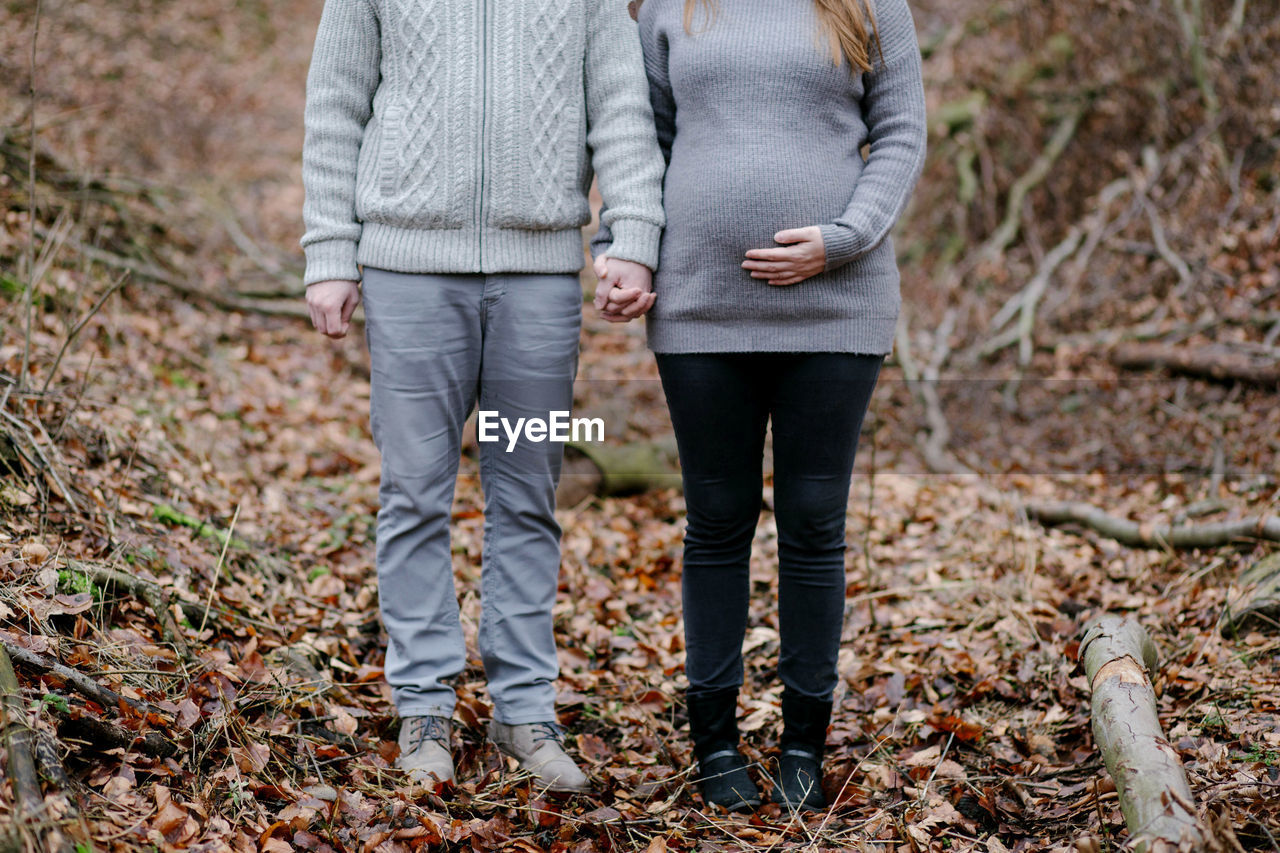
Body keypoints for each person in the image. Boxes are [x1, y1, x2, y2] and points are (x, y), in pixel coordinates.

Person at [300, 0, 665, 792]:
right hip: (409, 275)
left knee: (526, 495)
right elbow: (335, 103)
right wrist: (329, 247)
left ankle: (523, 707)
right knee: (416, 491)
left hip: (536, 282)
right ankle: (424, 704)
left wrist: (633, 234)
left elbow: (622, 110)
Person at [595, 0, 927, 812]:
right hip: (701, 303)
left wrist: (845, 236)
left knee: (815, 521)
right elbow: (643, 138)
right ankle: (713, 742)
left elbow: (903, 131)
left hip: (838, 303)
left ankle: (803, 746)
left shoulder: (869, 2)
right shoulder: (669, 7)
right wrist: (621, 246)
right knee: (718, 516)